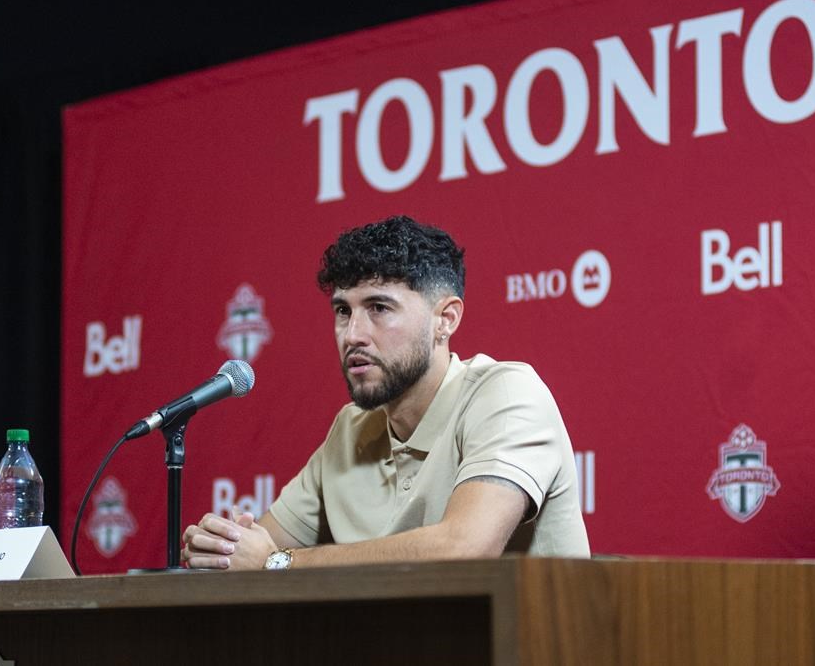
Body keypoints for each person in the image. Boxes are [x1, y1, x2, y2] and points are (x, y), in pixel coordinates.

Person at [183, 215, 589, 570]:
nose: (353, 335)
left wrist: (276, 563)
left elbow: (465, 547)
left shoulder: (507, 393)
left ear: (445, 320)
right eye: (343, 311)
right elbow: (259, 547)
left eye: (378, 308)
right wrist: (220, 549)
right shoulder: (351, 428)